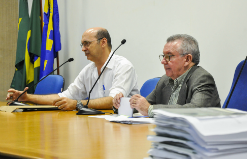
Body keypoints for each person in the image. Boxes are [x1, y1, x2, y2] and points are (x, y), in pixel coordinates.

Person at [6, 27, 139, 111]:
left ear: (103, 42)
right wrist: (27, 97)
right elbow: (64, 97)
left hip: (122, 128)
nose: (83, 49)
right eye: (82, 44)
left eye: (87, 44)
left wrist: (76, 104)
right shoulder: (88, 70)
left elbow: (113, 101)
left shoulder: (123, 66)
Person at [113, 34, 221, 117]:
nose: (163, 61)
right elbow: (144, 106)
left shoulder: (202, 78)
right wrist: (122, 104)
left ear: (187, 59)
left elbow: (196, 110)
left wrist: (150, 110)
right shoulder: (165, 80)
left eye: (169, 56)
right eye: (163, 56)